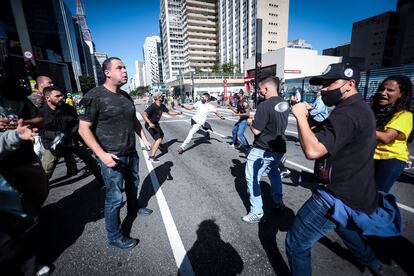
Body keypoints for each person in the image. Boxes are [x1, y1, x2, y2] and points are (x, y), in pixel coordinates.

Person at [286, 62, 384, 275]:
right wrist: (310, 120)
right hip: (354, 191)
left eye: (330, 83)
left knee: (296, 243)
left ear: (350, 84)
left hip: (335, 196)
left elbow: (313, 150)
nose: (324, 88)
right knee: (344, 227)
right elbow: (330, 135)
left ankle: (374, 263)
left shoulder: (347, 113)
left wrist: (300, 116)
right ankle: (375, 264)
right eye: (323, 83)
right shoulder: (356, 108)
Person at [78, 57, 152, 250]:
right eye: (120, 68)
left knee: (133, 184)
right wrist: (102, 155)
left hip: (131, 152)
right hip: (111, 155)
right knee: (114, 198)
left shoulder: (126, 96)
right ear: (108, 73)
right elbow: (83, 129)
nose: (125, 70)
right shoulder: (94, 96)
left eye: (125, 67)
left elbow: (134, 121)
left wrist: (144, 139)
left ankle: (134, 207)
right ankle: (115, 236)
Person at [242, 76, 289, 224]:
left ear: (266, 88)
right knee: (274, 173)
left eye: (260, 89)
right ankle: (277, 201)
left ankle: (256, 211)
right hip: (279, 148)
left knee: (252, 178)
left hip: (262, 149)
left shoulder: (264, 105)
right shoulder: (284, 103)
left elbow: (256, 130)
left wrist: (250, 122)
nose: (259, 92)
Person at [39, 86, 102, 181]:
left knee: (90, 160)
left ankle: (102, 180)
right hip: (52, 144)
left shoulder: (68, 109)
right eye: (57, 96)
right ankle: (39, 191)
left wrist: (73, 133)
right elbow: (40, 131)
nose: (61, 98)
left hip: (71, 140)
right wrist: (56, 135)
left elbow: (77, 123)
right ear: (48, 98)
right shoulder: (40, 112)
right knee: (46, 171)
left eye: (61, 95)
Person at [372, 75, 413, 193]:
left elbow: (387, 137)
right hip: (371, 156)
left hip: (390, 160)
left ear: (401, 94)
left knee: (376, 197)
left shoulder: (404, 115)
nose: (383, 93)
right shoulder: (376, 110)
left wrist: (360, 128)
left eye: (390, 90)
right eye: (381, 89)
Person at [141, 91, 182, 163]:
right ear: (158, 98)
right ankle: (151, 157)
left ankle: (158, 145)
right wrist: (149, 123)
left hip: (156, 124)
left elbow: (169, 112)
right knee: (159, 138)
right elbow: (144, 114)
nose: (163, 97)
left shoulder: (162, 106)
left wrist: (177, 113)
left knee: (162, 134)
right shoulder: (153, 106)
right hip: (150, 125)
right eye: (162, 96)